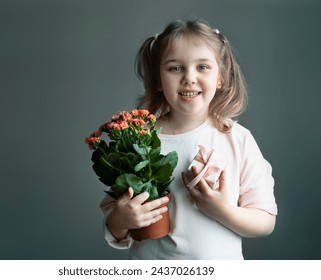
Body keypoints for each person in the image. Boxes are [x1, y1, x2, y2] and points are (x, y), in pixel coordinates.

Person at [100, 19, 277, 259]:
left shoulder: (238, 140)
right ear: (159, 80)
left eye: (202, 67)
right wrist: (120, 219)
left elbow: (265, 220)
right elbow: (114, 220)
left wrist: (222, 211)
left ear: (220, 78)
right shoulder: (139, 138)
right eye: (175, 68)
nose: (189, 78)